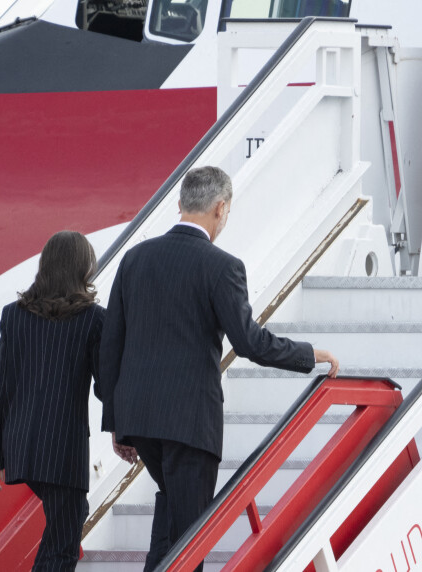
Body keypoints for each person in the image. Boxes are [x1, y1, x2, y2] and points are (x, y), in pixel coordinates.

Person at [99, 166, 339, 571]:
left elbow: (111, 348)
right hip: (190, 424)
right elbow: (249, 343)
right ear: (220, 208)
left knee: (173, 522)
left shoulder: (134, 259)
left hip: (140, 421)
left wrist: (117, 423)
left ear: (180, 204)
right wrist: (308, 353)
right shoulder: (222, 266)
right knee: (193, 538)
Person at [0, 231, 130, 571]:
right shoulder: (94, 319)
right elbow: (106, 385)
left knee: (68, 521)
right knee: (63, 545)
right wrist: (121, 431)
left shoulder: (13, 315)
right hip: (63, 450)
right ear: (82, 269)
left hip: (21, 445)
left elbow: (1, 387)